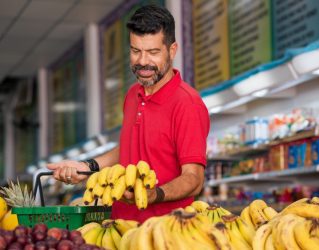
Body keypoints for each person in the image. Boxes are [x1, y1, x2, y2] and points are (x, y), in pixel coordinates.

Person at [47, 4, 210, 223]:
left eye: (153, 52)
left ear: (172, 50)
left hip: (164, 232)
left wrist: (155, 194)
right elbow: (130, 146)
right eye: (136, 51)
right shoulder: (133, 95)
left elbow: (194, 178)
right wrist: (87, 167)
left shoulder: (187, 103)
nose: (143, 62)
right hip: (120, 227)